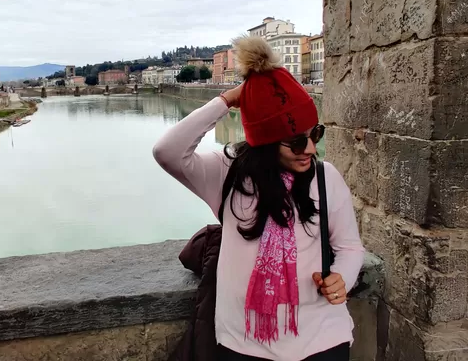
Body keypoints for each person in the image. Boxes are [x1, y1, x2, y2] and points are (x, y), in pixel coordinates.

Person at [153, 36, 365, 361]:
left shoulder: (326, 178)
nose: (310, 149)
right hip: (242, 344)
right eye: (296, 142)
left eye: (315, 134)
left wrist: (342, 278)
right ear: (265, 143)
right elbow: (167, 151)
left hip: (322, 338)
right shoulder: (226, 174)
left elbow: (349, 247)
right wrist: (227, 99)